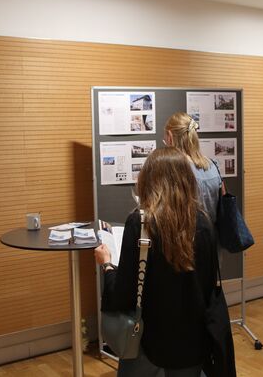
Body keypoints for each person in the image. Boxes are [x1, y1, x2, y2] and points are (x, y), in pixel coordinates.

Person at [94, 147, 221, 375]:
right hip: (192, 347)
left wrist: (107, 265)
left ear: (148, 179)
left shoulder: (140, 224)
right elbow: (208, 287)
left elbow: (123, 295)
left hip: (148, 345)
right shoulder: (203, 223)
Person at [164, 112, 222, 222]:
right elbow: (222, 203)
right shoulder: (213, 165)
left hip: (185, 237)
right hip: (213, 235)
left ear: (170, 137)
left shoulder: (174, 170)